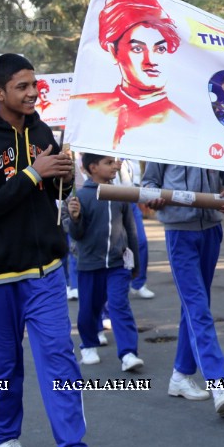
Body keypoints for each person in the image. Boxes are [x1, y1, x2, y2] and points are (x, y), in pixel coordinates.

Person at [0, 53, 106, 447]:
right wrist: (32, 175)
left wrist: (65, 176)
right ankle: (6, 439)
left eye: (33, 85)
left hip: (46, 270)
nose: (32, 93)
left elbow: (54, 191)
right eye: (21, 87)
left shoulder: (42, 131)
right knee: (4, 363)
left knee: (60, 359)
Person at [141, 163, 224, 416]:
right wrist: (153, 197)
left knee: (197, 305)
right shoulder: (166, 136)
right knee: (197, 307)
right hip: (179, 232)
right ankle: (218, 381)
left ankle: (181, 374)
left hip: (211, 231)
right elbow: (148, 183)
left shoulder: (218, 132)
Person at [72, 0, 191, 147]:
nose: (151, 60)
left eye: (160, 49)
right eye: (138, 49)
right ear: (114, 52)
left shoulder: (185, 123)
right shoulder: (83, 110)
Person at [65, 153, 144, 373]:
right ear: (92, 167)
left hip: (118, 265)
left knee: (119, 305)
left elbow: (131, 230)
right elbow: (76, 235)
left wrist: (135, 263)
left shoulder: (120, 195)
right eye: (108, 163)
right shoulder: (80, 196)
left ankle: (128, 353)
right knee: (89, 308)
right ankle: (88, 345)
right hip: (90, 265)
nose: (114, 166)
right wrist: (75, 218)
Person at [116, 158, 153, 299]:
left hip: (131, 200)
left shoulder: (133, 153)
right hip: (113, 199)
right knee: (117, 245)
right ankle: (119, 286)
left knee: (140, 242)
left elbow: (137, 176)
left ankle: (138, 283)